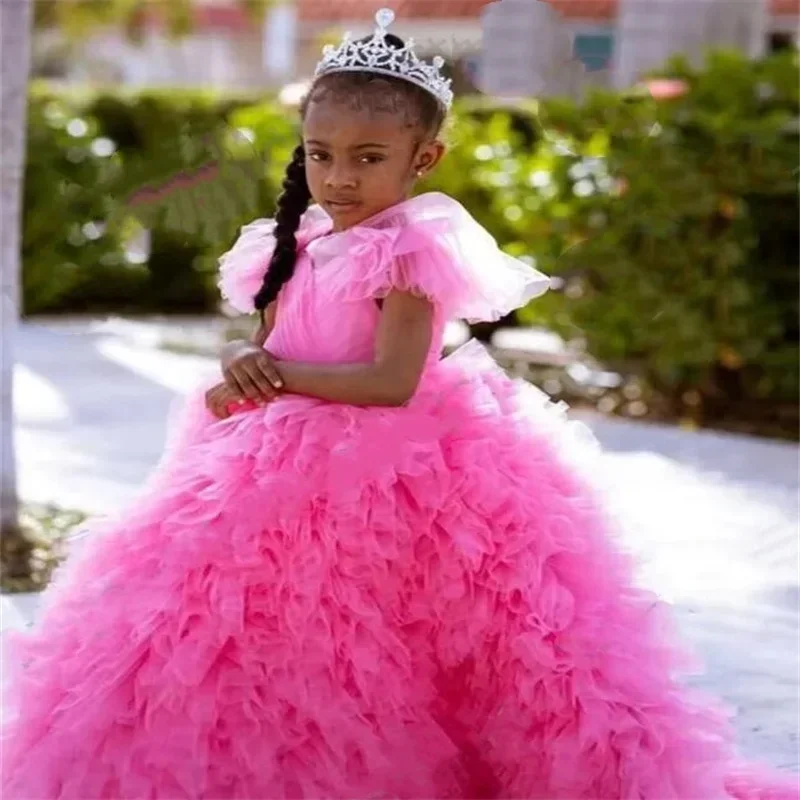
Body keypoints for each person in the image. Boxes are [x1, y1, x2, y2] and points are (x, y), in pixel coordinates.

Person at [1, 9, 797, 799]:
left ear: (424, 158)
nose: (340, 177)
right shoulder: (297, 241)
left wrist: (275, 379)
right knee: (235, 621)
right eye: (321, 155)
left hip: (391, 465)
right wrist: (244, 358)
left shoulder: (406, 253)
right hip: (269, 459)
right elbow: (263, 335)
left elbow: (392, 382)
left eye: (367, 157)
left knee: (409, 631)